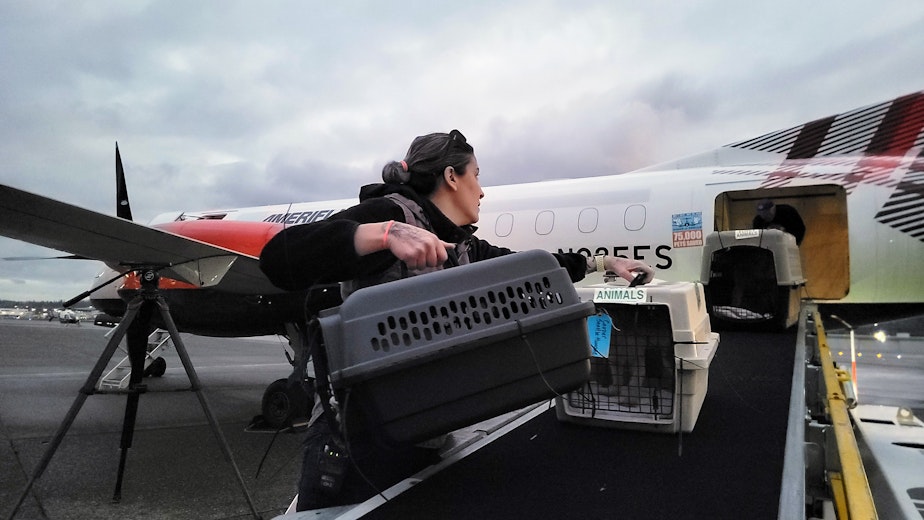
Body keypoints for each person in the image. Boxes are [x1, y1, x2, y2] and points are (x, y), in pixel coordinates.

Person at [259, 129, 654, 511]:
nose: (481, 190)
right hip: (357, 442)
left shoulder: (462, 245)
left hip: (422, 430)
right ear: (452, 176)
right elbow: (278, 257)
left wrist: (605, 263)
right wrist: (383, 234)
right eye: (476, 176)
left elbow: (536, 269)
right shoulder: (390, 212)